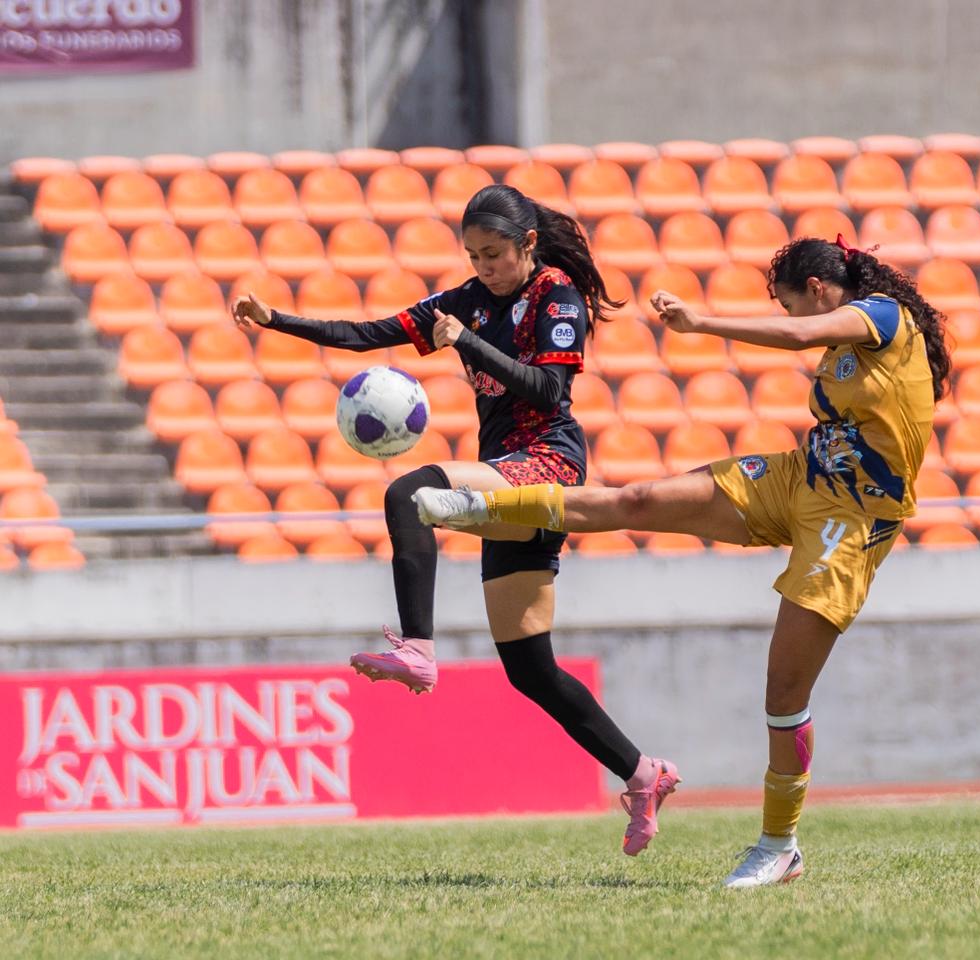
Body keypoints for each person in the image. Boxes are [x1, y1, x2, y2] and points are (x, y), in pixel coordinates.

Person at [413, 235, 951, 887]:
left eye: (790, 303)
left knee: (784, 689)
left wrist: (702, 322)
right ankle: (477, 509)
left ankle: (780, 844)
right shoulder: (849, 342)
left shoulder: (883, 317)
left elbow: (803, 335)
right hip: (798, 479)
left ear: (817, 290)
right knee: (640, 499)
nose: (792, 314)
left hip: (853, 518)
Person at [230, 184, 678, 856]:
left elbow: (551, 389)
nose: (484, 267)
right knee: (530, 668)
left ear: (528, 244)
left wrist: (468, 341)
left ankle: (418, 649)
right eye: (473, 255)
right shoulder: (465, 301)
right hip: (503, 473)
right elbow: (366, 335)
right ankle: (644, 774)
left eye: (494, 254)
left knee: (411, 493)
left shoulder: (554, 296)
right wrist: (275, 321)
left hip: (547, 464)